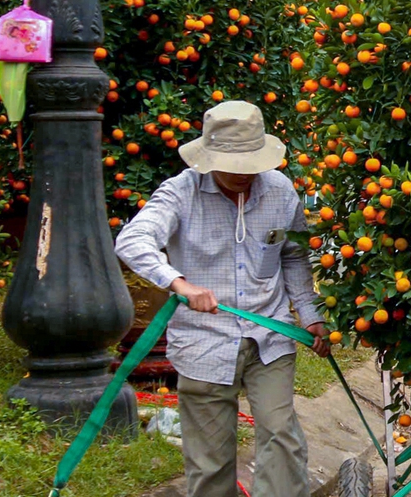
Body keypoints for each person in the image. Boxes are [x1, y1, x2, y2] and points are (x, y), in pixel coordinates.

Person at [115, 101, 328, 497]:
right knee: (210, 461)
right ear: (209, 157)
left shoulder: (280, 191)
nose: (245, 174)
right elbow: (132, 240)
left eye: (252, 164)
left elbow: (295, 254)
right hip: (203, 341)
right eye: (235, 164)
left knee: (282, 435)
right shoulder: (181, 192)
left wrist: (311, 314)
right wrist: (180, 284)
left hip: (270, 336)